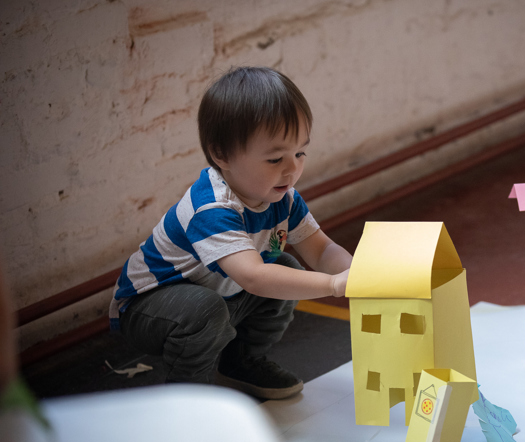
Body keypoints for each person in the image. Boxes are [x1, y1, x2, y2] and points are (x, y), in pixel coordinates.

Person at [109, 67, 352, 399]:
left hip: (219, 295)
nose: (292, 168)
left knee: (287, 270)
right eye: (275, 158)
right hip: (148, 308)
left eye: (300, 153)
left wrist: (359, 273)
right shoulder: (211, 208)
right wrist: (334, 285)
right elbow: (253, 277)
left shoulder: (282, 197)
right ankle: (188, 400)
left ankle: (241, 364)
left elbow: (322, 251)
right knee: (209, 309)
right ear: (222, 155)